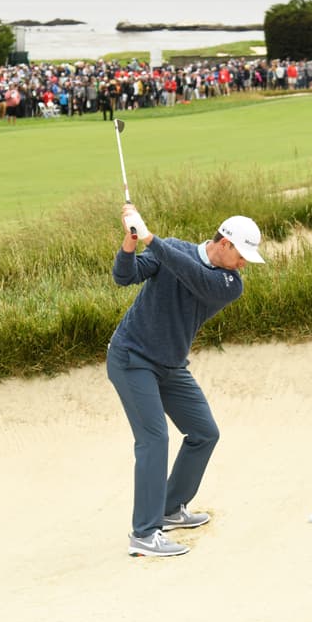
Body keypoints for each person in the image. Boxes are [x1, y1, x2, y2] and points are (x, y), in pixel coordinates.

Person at [106, 206, 266, 557]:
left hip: (171, 366)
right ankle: (145, 534)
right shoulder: (173, 249)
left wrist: (152, 239)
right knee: (154, 439)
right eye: (241, 256)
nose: (244, 265)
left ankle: (170, 506)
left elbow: (194, 276)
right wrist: (132, 242)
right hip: (132, 359)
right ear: (224, 244)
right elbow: (124, 277)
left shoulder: (228, 285)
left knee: (205, 432)